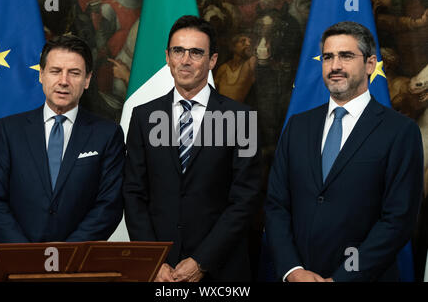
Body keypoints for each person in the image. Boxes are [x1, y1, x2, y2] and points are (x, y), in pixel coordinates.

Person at [265, 21, 424, 282]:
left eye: (346, 56)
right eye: (328, 57)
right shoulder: (298, 127)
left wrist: (343, 278)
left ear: (370, 64)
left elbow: (397, 221)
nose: (335, 66)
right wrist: (293, 270)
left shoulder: (400, 131)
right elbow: (276, 205)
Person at [124, 15, 262, 282]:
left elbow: (246, 199)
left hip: (221, 270)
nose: (185, 60)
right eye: (178, 51)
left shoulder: (242, 119)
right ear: (167, 57)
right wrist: (154, 260)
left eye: (196, 53)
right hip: (160, 271)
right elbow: (133, 194)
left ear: (212, 60)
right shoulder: (143, 116)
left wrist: (203, 261)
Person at [0, 35, 125, 243]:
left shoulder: (108, 134)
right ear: (41, 75)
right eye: (55, 71)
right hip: (19, 263)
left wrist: (66, 255)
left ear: (87, 80)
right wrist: (27, 256)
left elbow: (109, 205)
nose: (63, 81)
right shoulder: (7, 130)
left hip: (78, 265)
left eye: (74, 73)